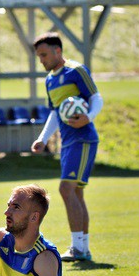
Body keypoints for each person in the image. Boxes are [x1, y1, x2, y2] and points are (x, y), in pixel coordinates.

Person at [30, 32, 103, 262]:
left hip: (83, 138)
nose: (41, 60)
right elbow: (54, 112)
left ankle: (79, 247)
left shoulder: (76, 71)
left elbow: (96, 97)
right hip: (68, 141)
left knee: (66, 189)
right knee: (76, 192)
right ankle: (82, 248)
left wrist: (88, 117)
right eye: (38, 56)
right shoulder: (50, 80)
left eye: (44, 54)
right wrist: (43, 138)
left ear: (57, 51)